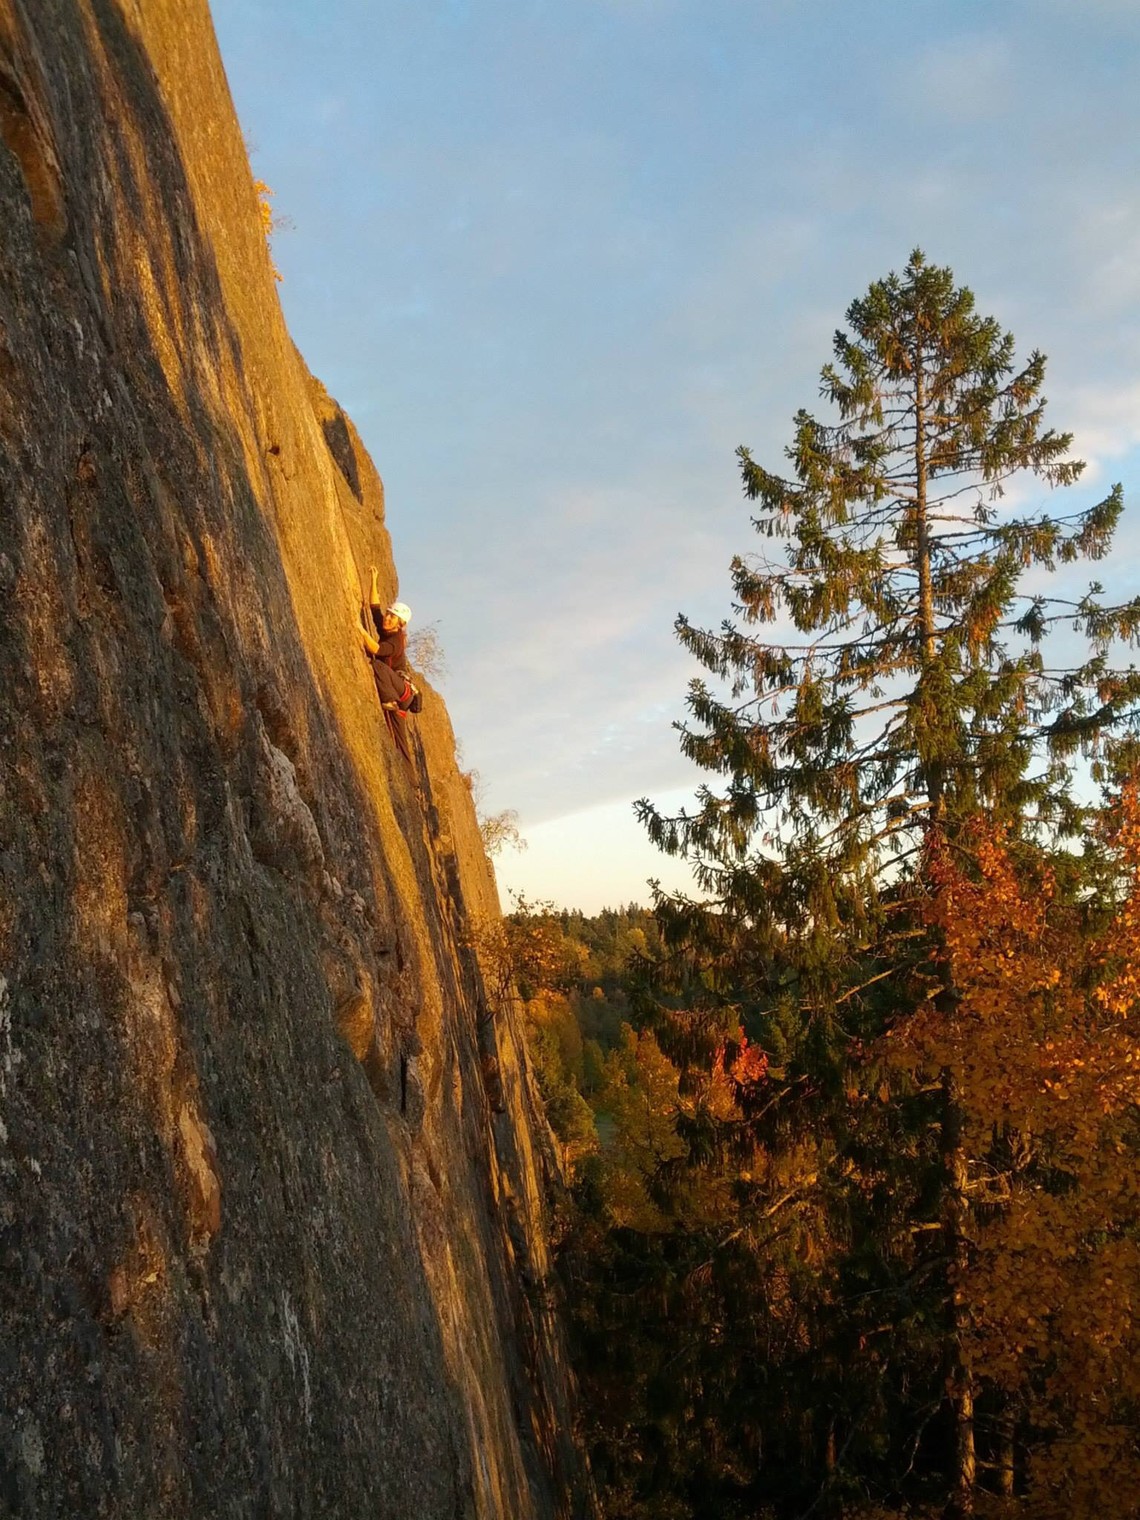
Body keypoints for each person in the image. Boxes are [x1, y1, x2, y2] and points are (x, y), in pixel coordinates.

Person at [361, 571, 418, 712]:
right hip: (395, 685)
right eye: (387, 614)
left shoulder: (396, 641)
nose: (386, 618)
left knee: (377, 665)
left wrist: (360, 629)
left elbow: (376, 649)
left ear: (400, 624)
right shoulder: (387, 630)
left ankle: (389, 700)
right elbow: (375, 608)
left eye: (392, 617)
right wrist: (374, 579)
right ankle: (390, 700)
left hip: (401, 691)